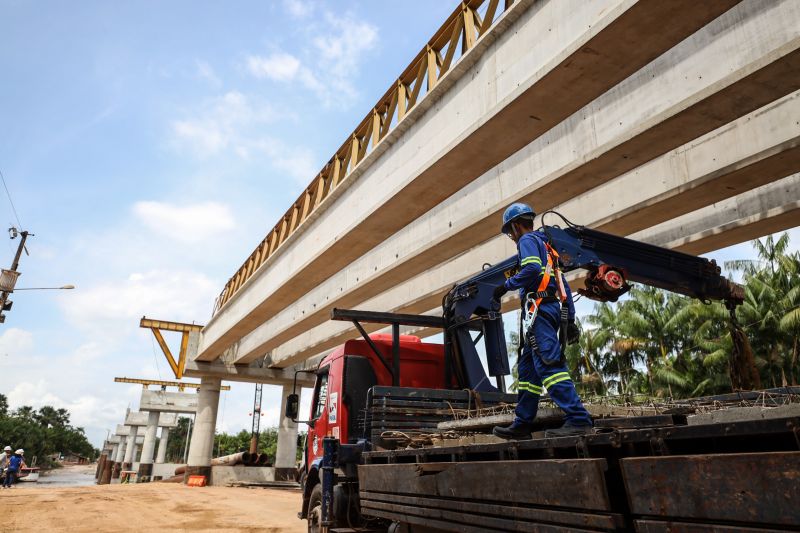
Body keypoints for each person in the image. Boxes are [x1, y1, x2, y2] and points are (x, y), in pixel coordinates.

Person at [492, 202, 593, 439]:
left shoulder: (527, 241)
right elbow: (562, 283)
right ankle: (523, 422)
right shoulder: (546, 247)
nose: (511, 237)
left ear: (516, 226)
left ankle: (578, 419)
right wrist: (569, 317)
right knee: (528, 372)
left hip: (539, 310)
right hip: (546, 310)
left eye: (510, 232)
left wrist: (504, 287)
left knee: (550, 365)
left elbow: (530, 270)